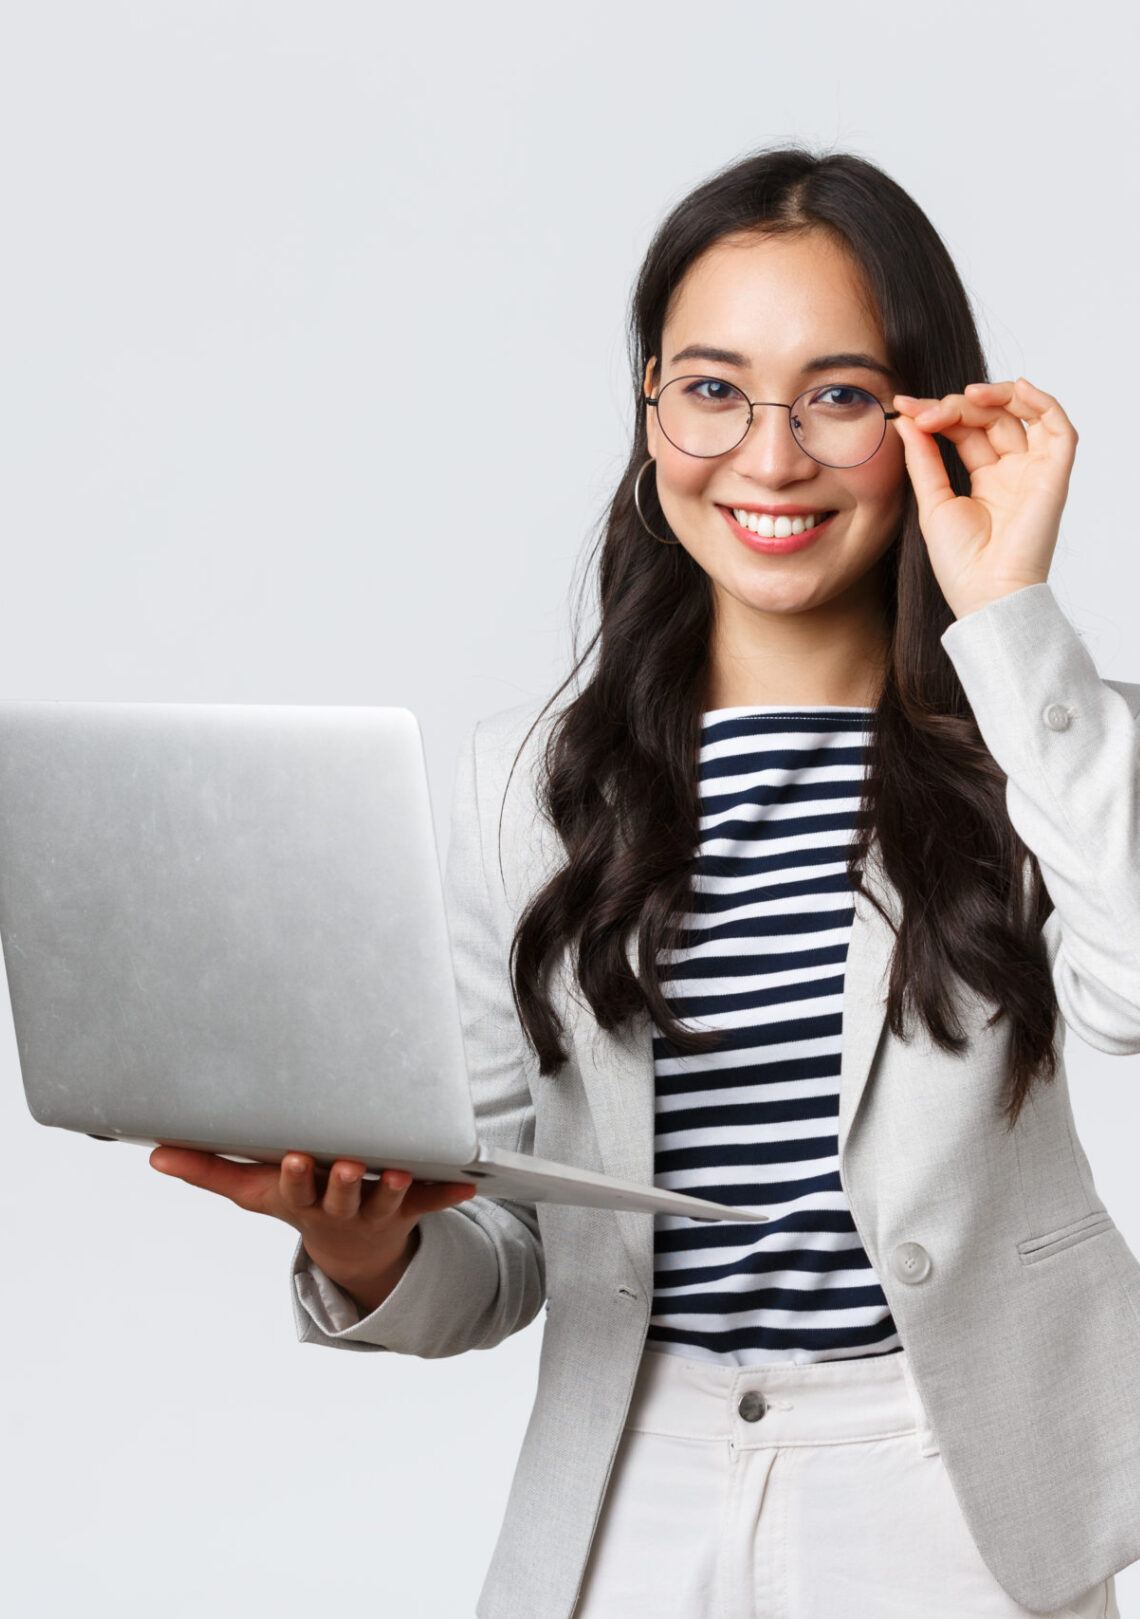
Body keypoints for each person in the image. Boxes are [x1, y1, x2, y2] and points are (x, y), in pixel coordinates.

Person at [149, 146, 1140, 1618]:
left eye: (842, 395)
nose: (771, 453)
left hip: (953, 1489)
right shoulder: (525, 787)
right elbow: (497, 1254)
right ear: (650, 412)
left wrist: (1010, 616)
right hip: (634, 1478)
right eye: (713, 387)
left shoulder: (1046, 744)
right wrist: (360, 1247)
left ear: (933, 417)